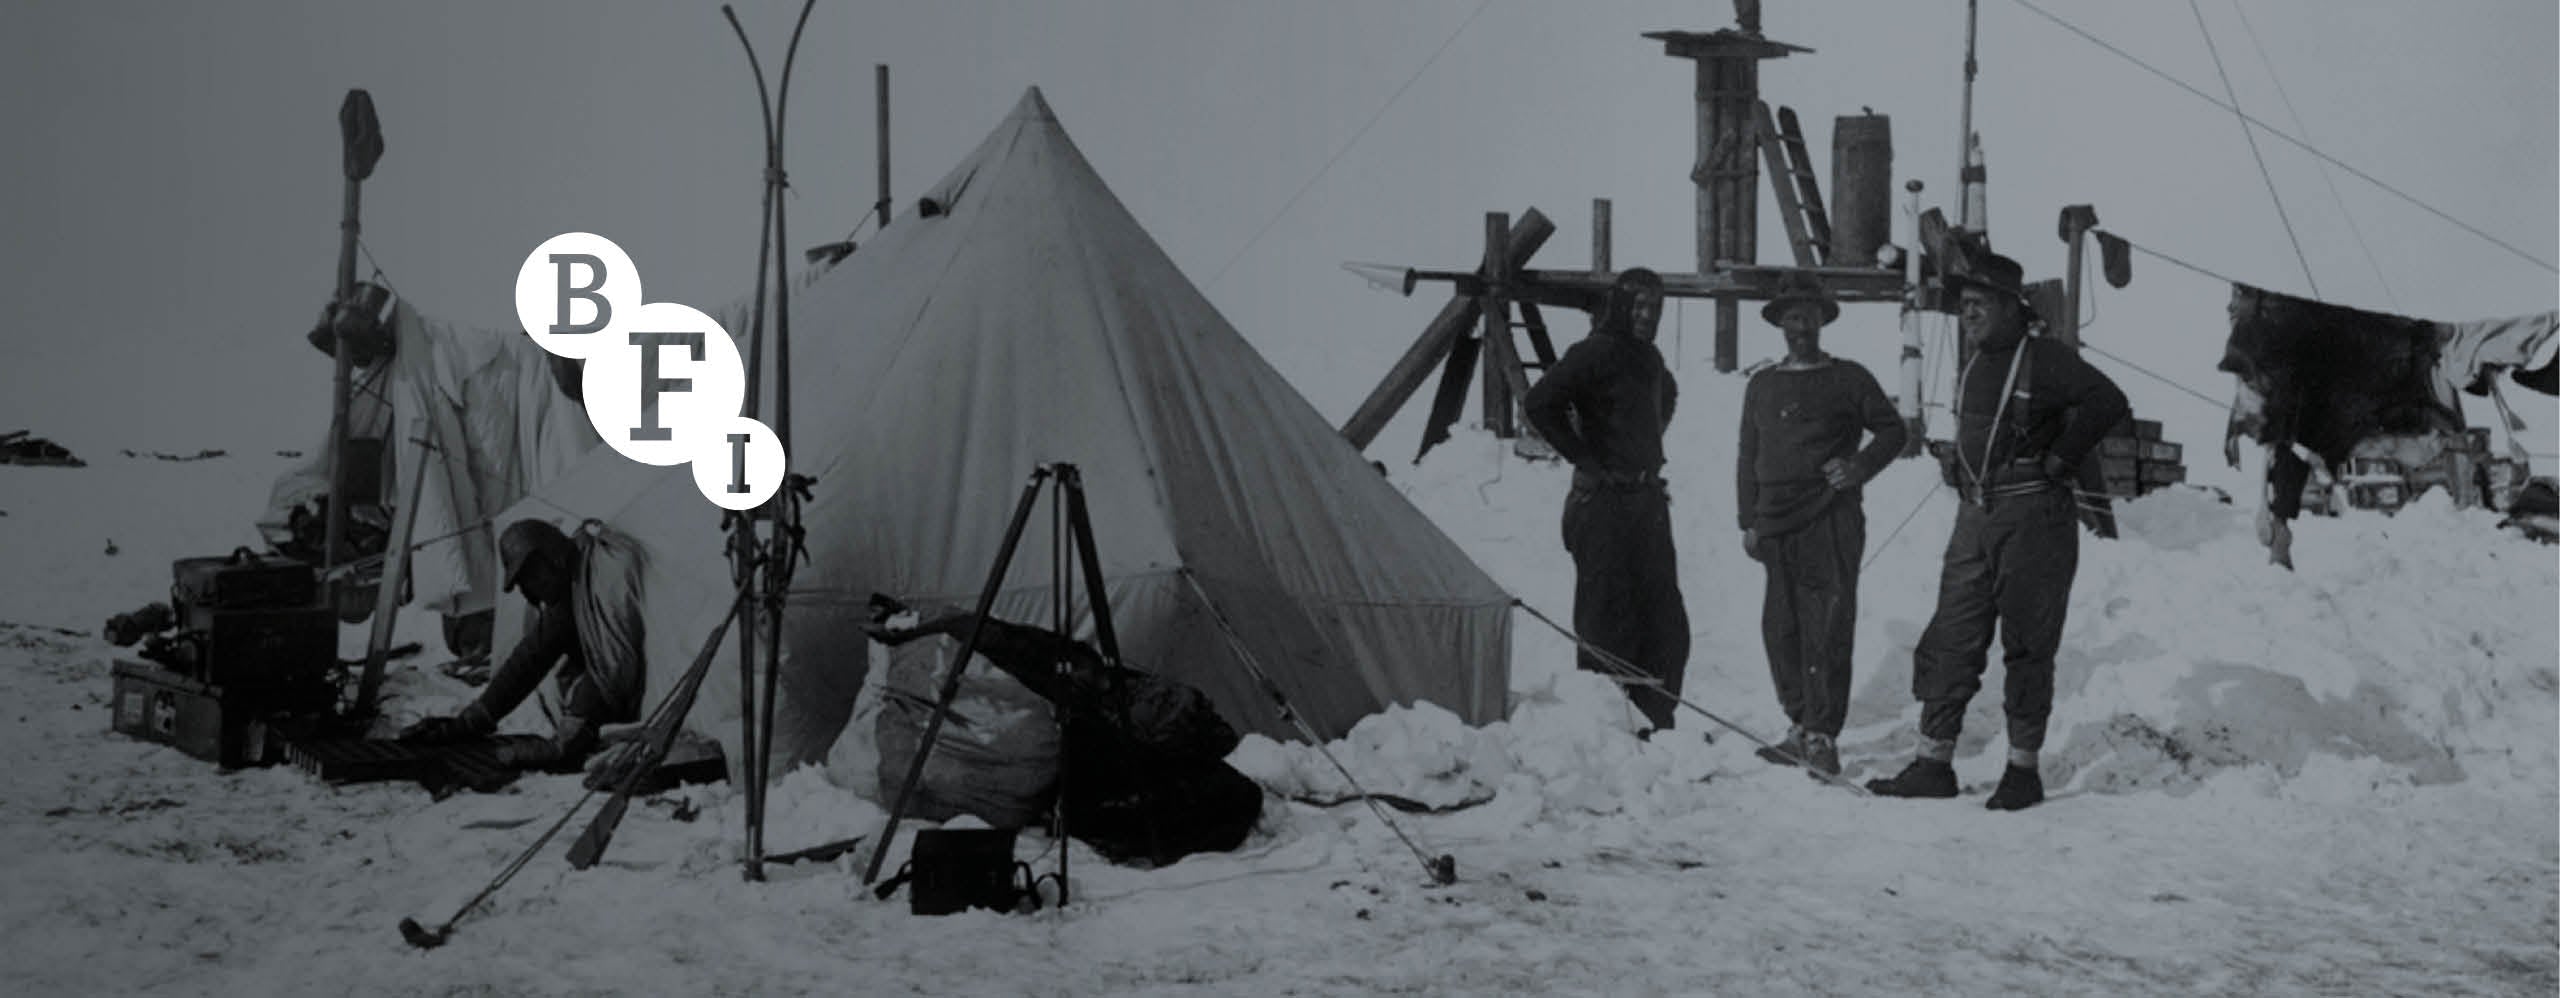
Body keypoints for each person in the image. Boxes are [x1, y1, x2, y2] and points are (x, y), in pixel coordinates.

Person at [1867, 252, 2128, 809]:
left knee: (2028, 644)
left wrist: (2061, 459)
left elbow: (2109, 402)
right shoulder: (1975, 364)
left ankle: (2022, 773)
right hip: (1975, 517)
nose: (1969, 314)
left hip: (2035, 518)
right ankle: (1933, 764)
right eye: (1964, 306)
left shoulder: (2047, 359)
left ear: (2013, 307)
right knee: (1952, 635)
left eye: (1980, 304)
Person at [860, 595, 1263, 868]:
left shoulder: (1097, 740)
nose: (1158, 695)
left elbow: (1016, 646)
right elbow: (1017, 642)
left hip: (1092, 737)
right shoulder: (1092, 687)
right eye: (1162, 697)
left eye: (1162, 705)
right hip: (1078, 706)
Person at [1736, 276, 1907, 777]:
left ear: (1822, 320)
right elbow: (1748, 454)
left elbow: (1895, 430)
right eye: (1792, 316)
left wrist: (1858, 467)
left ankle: (1822, 736)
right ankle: (1797, 726)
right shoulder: (1762, 384)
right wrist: (1747, 519)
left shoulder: (1849, 378)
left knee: (1826, 628)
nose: (1801, 326)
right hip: (1775, 523)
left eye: (1809, 315)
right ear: (1780, 324)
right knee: (1781, 629)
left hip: (1830, 520)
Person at [1522, 267, 1691, 733]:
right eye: (1638, 306)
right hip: (1602, 506)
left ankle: (1656, 719)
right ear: (1619, 307)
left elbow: (1668, 396)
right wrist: (1590, 459)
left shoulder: (1650, 359)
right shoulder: (1592, 352)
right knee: (1607, 617)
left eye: (1654, 308)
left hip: (1646, 502)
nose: (1647, 316)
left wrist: (1644, 448)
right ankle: (1607, 729)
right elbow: (1539, 404)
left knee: (1662, 617)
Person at [398, 519, 642, 772]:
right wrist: (470, 723)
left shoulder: (605, 577)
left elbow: (613, 664)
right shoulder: (566, 593)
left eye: (533, 574)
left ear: (553, 558)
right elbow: (530, 659)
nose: (531, 587)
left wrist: (571, 734)